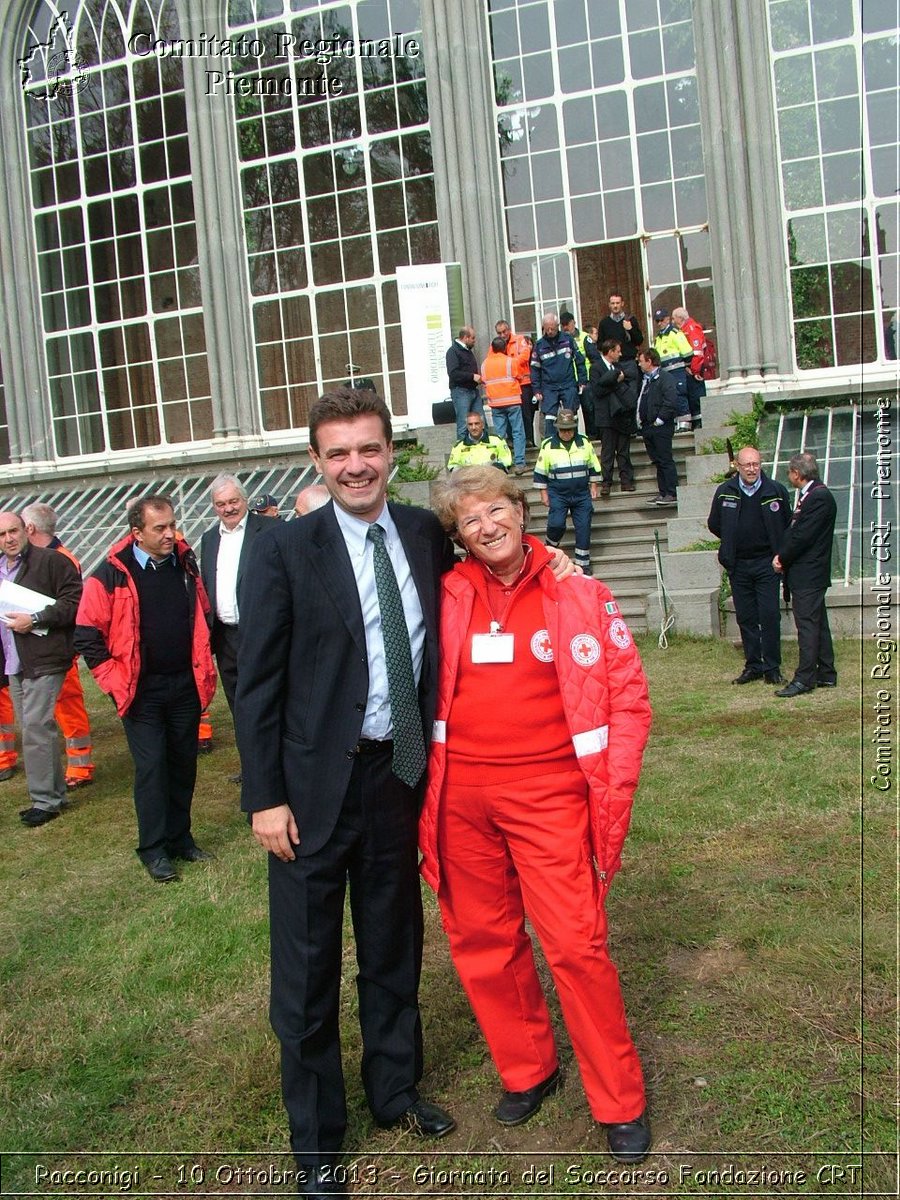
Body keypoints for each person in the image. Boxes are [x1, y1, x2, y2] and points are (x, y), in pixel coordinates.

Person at [235, 388, 459, 1196]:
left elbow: (492, 576)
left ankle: (395, 1091)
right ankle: (319, 1143)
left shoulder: (426, 534)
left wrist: (561, 562)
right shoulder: (284, 550)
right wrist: (264, 796)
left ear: (390, 452)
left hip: (398, 775)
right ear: (317, 462)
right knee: (306, 974)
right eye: (338, 454)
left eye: (367, 449)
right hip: (308, 792)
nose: (355, 466)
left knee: (394, 948)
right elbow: (254, 685)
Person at [420, 466, 653, 1165]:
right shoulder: (441, 594)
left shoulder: (581, 592)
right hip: (460, 795)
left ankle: (619, 1100)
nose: (487, 526)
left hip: (549, 794)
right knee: (482, 940)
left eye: (497, 510)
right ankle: (529, 1067)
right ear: (456, 536)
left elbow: (628, 700)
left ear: (522, 511)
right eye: (470, 519)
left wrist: (607, 788)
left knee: (577, 946)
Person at [75, 495, 217, 881]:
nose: (171, 533)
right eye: (160, 528)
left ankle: (181, 839)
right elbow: (87, 635)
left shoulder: (186, 565)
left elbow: (203, 615)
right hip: (140, 692)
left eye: (172, 524)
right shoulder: (109, 575)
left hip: (184, 687)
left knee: (183, 765)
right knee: (152, 769)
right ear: (137, 533)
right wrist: (113, 681)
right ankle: (153, 850)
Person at [0, 511, 81, 827]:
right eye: (2, 533)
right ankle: (55, 795)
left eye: (13, 530)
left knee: (35, 727)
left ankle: (44, 801)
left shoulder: (52, 562)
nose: (9, 538)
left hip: (45, 656)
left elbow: (74, 602)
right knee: (35, 727)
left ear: (26, 529)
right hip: (14, 660)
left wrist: (35, 619)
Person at [21, 502, 94, 790]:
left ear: (29, 528)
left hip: (58, 644)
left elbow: (69, 604)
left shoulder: (59, 559)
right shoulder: (44, 557)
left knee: (68, 702)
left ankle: (81, 764)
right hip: (39, 644)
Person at [707, 448, 791, 684]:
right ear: (737, 466)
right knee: (746, 617)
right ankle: (754, 665)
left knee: (770, 615)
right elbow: (715, 524)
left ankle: (772, 667)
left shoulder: (775, 490)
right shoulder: (725, 492)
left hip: (767, 564)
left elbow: (787, 524)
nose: (752, 469)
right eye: (747, 465)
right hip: (739, 566)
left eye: (756, 464)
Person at [200, 475, 274, 719]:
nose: (228, 508)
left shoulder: (271, 530)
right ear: (214, 507)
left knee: (268, 699)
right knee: (237, 703)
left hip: (262, 632)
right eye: (221, 504)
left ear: (245, 499)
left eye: (233, 501)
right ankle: (248, 751)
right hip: (225, 638)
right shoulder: (209, 539)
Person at [772, 452, 838, 698]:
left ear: (796, 474)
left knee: (807, 625)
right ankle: (826, 672)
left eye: (789, 472)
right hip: (808, 573)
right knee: (818, 623)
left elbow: (802, 536)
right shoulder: (811, 495)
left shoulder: (818, 497)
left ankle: (805, 677)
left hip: (809, 573)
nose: (789, 476)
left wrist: (782, 557)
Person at [533, 409, 601, 575]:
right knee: (556, 524)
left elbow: (593, 465)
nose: (566, 433)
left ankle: (583, 564)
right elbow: (541, 471)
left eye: (569, 429)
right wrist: (543, 493)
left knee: (583, 527)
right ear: (557, 429)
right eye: (563, 430)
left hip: (581, 494)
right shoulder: (548, 445)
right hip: (558, 493)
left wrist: (594, 485)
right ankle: (548, 552)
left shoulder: (584, 442)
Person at [590, 339, 639, 494]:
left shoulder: (619, 367)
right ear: (610, 351)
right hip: (605, 416)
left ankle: (626, 480)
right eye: (617, 351)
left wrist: (615, 382)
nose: (620, 354)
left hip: (621, 415)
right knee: (607, 451)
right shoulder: (596, 368)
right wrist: (614, 383)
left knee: (624, 450)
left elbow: (631, 377)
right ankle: (606, 482)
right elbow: (597, 391)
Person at [530, 312, 586, 439]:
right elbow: (534, 370)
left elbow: (579, 361)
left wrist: (582, 381)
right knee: (549, 417)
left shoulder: (568, 340)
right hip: (549, 386)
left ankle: (574, 441)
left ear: (558, 326)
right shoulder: (539, 345)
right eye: (547, 328)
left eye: (552, 328)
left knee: (571, 414)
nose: (550, 331)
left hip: (568, 384)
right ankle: (551, 444)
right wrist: (536, 390)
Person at [636, 349, 679, 507]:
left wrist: (659, 419)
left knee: (665, 459)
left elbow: (671, 400)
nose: (639, 364)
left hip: (661, 427)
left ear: (649, 361)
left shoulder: (665, 379)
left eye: (641, 361)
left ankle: (671, 492)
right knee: (657, 460)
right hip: (648, 427)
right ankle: (663, 492)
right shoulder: (645, 380)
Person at [480, 335, 527, 474]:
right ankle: (519, 463)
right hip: (512, 401)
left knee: (500, 435)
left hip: (495, 404)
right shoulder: (510, 361)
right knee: (518, 432)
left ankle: (502, 463)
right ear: (505, 348)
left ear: (492, 349)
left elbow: (484, 381)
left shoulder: (484, 364)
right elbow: (519, 376)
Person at [495, 320, 535, 446]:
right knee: (509, 415)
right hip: (507, 385)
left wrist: (509, 363)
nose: (502, 335)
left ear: (509, 330)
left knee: (526, 414)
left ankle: (529, 440)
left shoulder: (520, 340)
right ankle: (512, 441)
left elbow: (525, 356)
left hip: (523, 383)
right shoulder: (496, 345)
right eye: (499, 333)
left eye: (504, 331)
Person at [652, 309, 693, 432]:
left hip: (677, 370)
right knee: (669, 397)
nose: (659, 323)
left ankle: (685, 423)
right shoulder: (658, 338)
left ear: (667, 319)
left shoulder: (675, 333)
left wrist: (685, 366)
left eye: (661, 320)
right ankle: (676, 422)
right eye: (657, 321)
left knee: (680, 394)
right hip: (665, 372)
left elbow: (688, 353)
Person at [672, 306, 706, 430]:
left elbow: (697, 352)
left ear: (680, 318)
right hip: (689, 369)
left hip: (693, 370)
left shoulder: (691, 328)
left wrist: (694, 370)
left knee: (696, 398)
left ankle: (699, 423)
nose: (673, 321)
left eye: (674, 318)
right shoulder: (686, 329)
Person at [445, 326, 483, 440]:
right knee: (463, 423)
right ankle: (461, 452)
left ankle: (482, 448)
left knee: (480, 421)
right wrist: (473, 376)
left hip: (473, 390)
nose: (474, 341)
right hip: (460, 391)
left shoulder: (467, 351)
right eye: (473, 338)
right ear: (465, 338)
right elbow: (453, 373)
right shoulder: (452, 352)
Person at [447, 411, 511, 472]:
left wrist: (497, 467)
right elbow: (452, 466)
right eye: (470, 424)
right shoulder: (458, 446)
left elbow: (506, 459)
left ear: (482, 425)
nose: (473, 427)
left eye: (476, 423)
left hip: (492, 478)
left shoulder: (497, 440)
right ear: (467, 427)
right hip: (469, 480)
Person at [598, 293, 643, 362]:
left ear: (622, 303)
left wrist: (630, 329)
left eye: (617, 303)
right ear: (609, 305)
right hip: (612, 362)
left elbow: (639, 341)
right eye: (612, 303)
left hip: (629, 361)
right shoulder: (604, 323)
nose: (615, 306)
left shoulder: (631, 320)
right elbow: (600, 345)